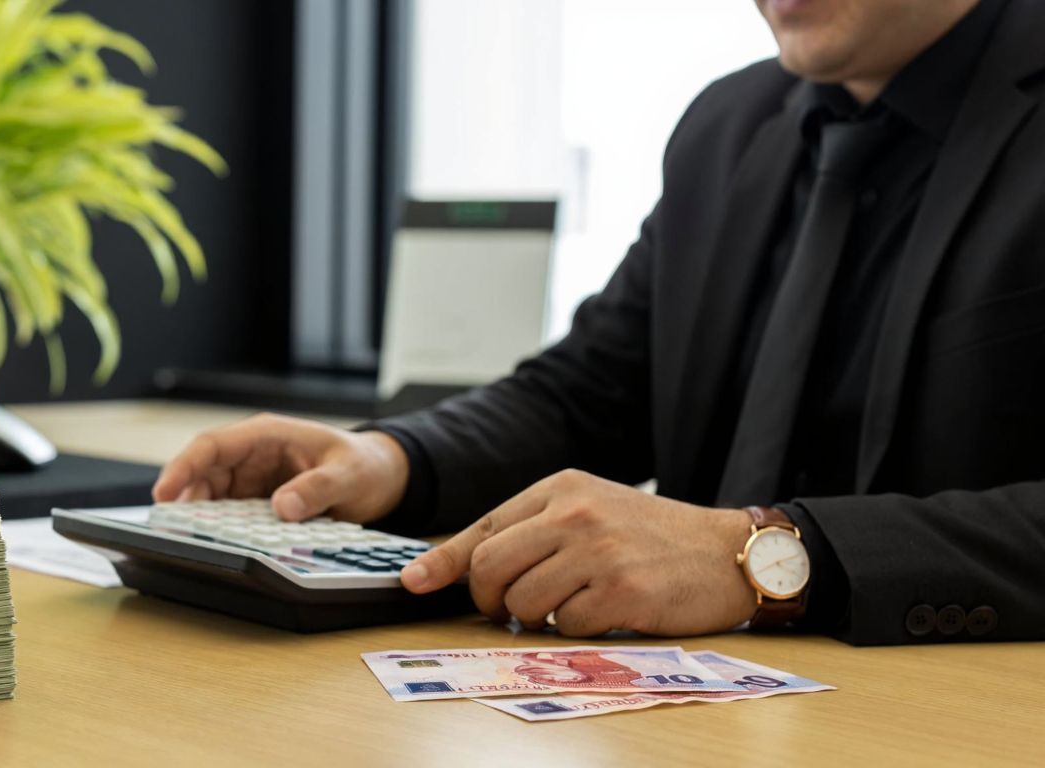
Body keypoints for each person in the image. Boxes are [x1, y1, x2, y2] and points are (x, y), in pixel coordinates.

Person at [153, 0, 1045, 646]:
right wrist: (391, 460)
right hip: (708, 705)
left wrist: (762, 553)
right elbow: (590, 391)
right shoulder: (729, 125)